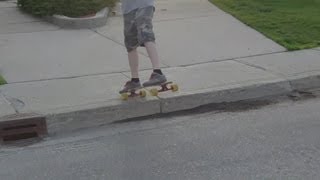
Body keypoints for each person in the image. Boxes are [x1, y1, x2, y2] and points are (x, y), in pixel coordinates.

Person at [119, 0, 167, 94]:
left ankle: (158, 72)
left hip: (144, 4)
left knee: (145, 33)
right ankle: (135, 80)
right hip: (127, 8)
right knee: (130, 43)